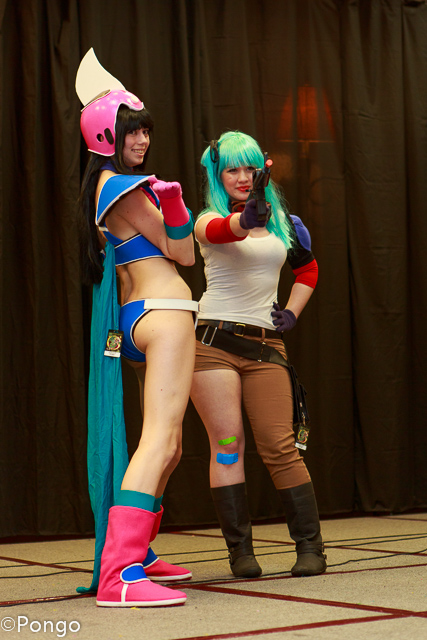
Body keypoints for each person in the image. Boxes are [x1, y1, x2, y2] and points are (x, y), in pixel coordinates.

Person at [76, 52, 198, 607]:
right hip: (162, 312)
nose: (143, 140)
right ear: (107, 137)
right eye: (132, 131)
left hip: (142, 314)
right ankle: (120, 575)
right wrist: (175, 206)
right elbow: (184, 253)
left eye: (145, 130)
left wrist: (168, 206)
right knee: (161, 440)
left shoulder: (107, 186)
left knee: (169, 445)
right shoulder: (122, 187)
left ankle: (140, 553)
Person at [190, 131, 327, 579]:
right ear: (217, 174)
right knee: (228, 446)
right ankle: (240, 553)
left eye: (250, 168)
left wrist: (292, 312)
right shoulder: (206, 219)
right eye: (232, 169)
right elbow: (224, 231)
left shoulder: (285, 222)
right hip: (213, 345)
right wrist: (245, 219)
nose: (243, 177)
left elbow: (308, 268)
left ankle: (311, 548)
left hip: (266, 346)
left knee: (280, 446)